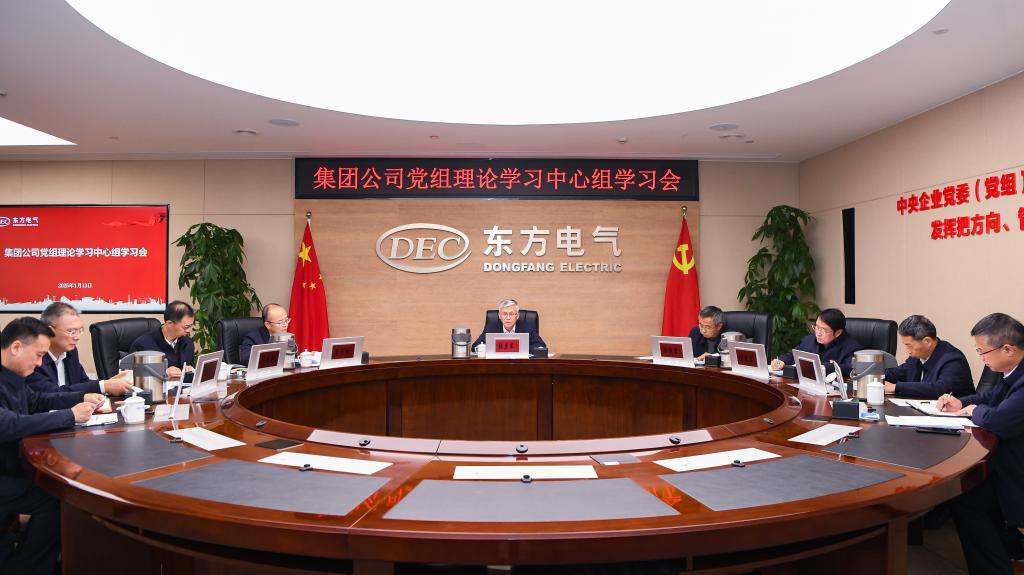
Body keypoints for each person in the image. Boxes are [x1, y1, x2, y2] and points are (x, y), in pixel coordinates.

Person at [0, 318, 105, 575]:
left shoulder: (12, 376)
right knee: (59, 498)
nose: (39, 364)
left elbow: (37, 400)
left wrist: (80, 397)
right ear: (16, 347)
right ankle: (25, 568)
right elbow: (8, 425)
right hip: (4, 475)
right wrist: (69, 416)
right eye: (38, 355)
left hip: (13, 464)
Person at [938, 313, 1024, 575]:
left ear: (1007, 349)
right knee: (967, 494)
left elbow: (999, 420)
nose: (981, 358)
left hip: (1017, 471)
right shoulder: (1012, 372)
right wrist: (962, 404)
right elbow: (990, 397)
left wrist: (975, 411)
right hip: (1009, 462)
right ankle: (1006, 551)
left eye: (982, 351)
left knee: (968, 498)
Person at [26, 302, 134, 396]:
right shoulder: (34, 358)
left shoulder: (71, 352)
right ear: (49, 331)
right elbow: (51, 394)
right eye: (71, 331)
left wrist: (109, 384)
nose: (77, 337)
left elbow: (82, 383)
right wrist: (102, 386)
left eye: (80, 330)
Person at [883, 314, 973, 398]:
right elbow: (897, 373)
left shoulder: (953, 359)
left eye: (909, 345)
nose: (907, 351)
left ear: (927, 341)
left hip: (958, 409)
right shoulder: (916, 357)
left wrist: (895, 387)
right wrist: (877, 377)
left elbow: (940, 389)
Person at [770, 308, 863, 376]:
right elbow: (795, 355)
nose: (818, 333)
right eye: (817, 327)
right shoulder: (810, 340)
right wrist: (781, 361)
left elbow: (850, 369)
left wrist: (821, 366)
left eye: (824, 330)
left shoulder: (852, 347)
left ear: (838, 332)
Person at [129, 300, 196, 379]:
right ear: (170, 324)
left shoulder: (187, 342)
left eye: (191, 326)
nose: (189, 330)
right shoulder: (142, 345)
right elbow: (129, 375)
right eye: (186, 327)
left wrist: (189, 369)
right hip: (154, 386)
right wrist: (163, 373)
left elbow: (188, 365)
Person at [470, 298, 545, 350]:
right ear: (499, 316)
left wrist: (517, 348)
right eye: (505, 314)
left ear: (517, 316)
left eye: (511, 314)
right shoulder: (491, 328)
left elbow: (541, 346)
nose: (508, 318)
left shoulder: (528, 328)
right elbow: (475, 347)